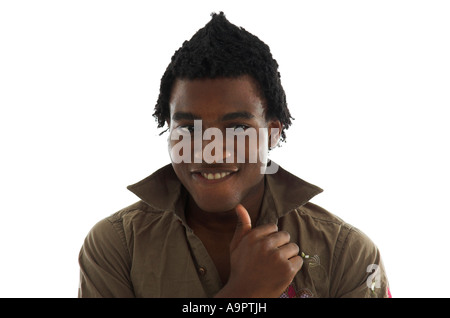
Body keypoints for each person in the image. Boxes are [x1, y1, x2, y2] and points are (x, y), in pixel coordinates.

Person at [78, 12, 390, 298]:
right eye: (188, 128)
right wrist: (243, 294)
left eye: (237, 128)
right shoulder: (116, 245)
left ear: (273, 132)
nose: (210, 151)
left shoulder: (346, 252)